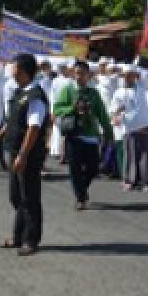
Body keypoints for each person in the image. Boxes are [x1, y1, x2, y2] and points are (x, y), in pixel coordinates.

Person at [0, 54, 48, 256]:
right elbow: (12, 120)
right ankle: (18, 236)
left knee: (30, 197)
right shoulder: (19, 92)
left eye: (13, 67)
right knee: (16, 196)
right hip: (14, 151)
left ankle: (30, 240)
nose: (10, 70)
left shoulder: (35, 96)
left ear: (23, 70)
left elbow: (33, 128)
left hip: (28, 155)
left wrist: (23, 155)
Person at [53, 60, 114, 209]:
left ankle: (82, 189)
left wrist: (108, 132)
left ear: (89, 75)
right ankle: (80, 198)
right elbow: (57, 110)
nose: (79, 76)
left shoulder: (94, 93)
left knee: (93, 168)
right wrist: (71, 108)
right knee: (74, 168)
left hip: (91, 136)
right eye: (76, 73)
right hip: (73, 135)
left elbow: (102, 114)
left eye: (82, 74)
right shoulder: (67, 90)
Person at [111, 64, 148, 191]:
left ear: (135, 76)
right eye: (126, 75)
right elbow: (114, 110)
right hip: (129, 127)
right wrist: (116, 115)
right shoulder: (119, 92)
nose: (128, 77)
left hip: (144, 125)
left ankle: (145, 181)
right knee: (130, 155)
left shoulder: (141, 86)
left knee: (145, 156)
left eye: (131, 75)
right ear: (123, 76)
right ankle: (129, 180)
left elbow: (146, 73)